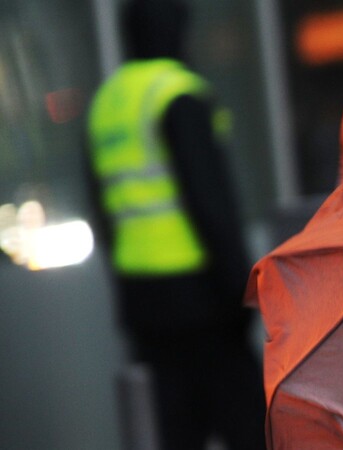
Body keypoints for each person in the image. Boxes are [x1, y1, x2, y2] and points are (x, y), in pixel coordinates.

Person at [85, 0, 265, 448]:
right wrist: (243, 292)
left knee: (175, 434)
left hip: (146, 306)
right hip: (203, 301)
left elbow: (105, 217)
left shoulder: (106, 104)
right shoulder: (175, 94)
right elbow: (212, 206)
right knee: (253, 430)